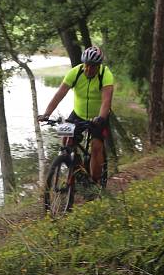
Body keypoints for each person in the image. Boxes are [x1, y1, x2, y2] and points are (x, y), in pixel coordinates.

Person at [38, 46, 114, 184]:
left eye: (93, 67)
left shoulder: (105, 75)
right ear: (83, 63)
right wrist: (46, 114)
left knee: (96, 147)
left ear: (99, 66)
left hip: (98, 116)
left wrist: (101, 118)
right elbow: (59, 95)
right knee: (65, 141)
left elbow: (106, 101)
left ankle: (95, 183)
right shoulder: (75, 73)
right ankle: (76, 169)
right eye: (87, 65)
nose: (89, 69)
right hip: (78, 114)